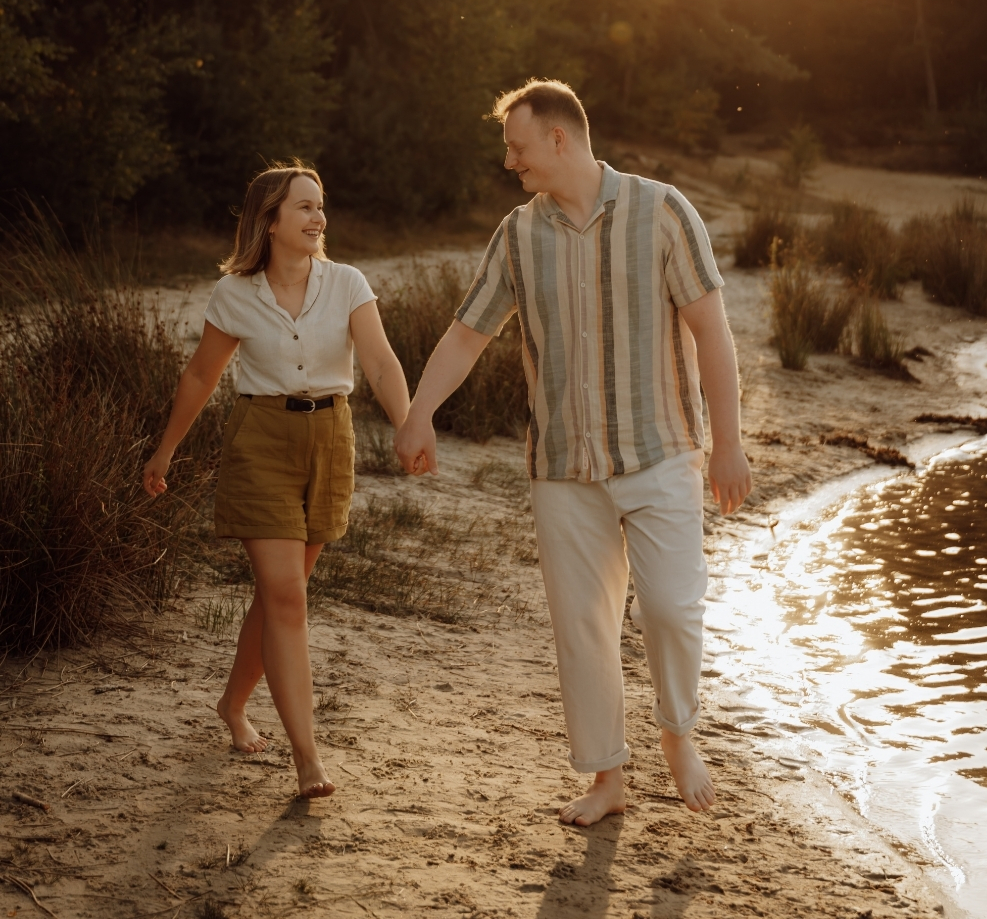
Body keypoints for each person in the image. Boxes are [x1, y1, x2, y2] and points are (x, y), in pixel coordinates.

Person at [394, 79, 752, 827]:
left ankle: (677, 733)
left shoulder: (662, 212)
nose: (509, 162)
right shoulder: (518, 235)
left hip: (661, 453)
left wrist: (729, 444)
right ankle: (607, 779)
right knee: (582, 626)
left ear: (559, 137)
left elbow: (712, 332)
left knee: (672, 606)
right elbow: (469, 333)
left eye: (517, 147)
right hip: (563, 467)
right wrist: (420, 411)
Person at [143, 162, 410, 799]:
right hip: (259, 440)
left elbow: (377, 360)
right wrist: (164, 454)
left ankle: (233, 704)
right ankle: (308, 760)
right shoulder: (234, 294)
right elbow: (201, 377)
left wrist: (408, 426)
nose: (318, 218)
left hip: (329, 441)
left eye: (321, 207)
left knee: (278, 595)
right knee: (287, 597)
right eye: (304, 208)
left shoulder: (347, 283)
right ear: (269, 220)